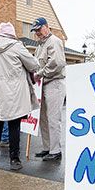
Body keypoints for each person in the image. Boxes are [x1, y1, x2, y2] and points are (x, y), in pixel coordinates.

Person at [0, 22, 39, 171]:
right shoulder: (17, 46)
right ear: (12, 34)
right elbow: (33, 65)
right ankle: (14, 160)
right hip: (13, 92)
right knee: (14, 126)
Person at [31, 17, 66, 162]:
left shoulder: (54, 41)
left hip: (54, 83)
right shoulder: (40, 45)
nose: (37, 33)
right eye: (35, 31)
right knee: (43, 118)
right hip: (42, 84)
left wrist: (39, 74)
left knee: (53, 118)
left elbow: (56, 63)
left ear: (46, 27)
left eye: (39, 29)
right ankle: (47, 148)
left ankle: (56, 150)